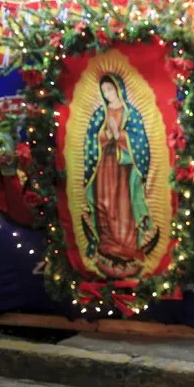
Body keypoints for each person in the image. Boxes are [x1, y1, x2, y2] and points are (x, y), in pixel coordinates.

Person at [83, 73, 155, 278]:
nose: (107, 94)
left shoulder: (131, 114)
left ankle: (127, 249)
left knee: (123, 207)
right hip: (103, 168)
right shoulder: (99, 114)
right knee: (104, 204)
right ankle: (106, 247)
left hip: (124, 169)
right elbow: (91, 139)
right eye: (104, 91)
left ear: (118, 89)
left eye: (110, 90)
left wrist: (120, 136)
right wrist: (106, 135)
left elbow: (141, 142)